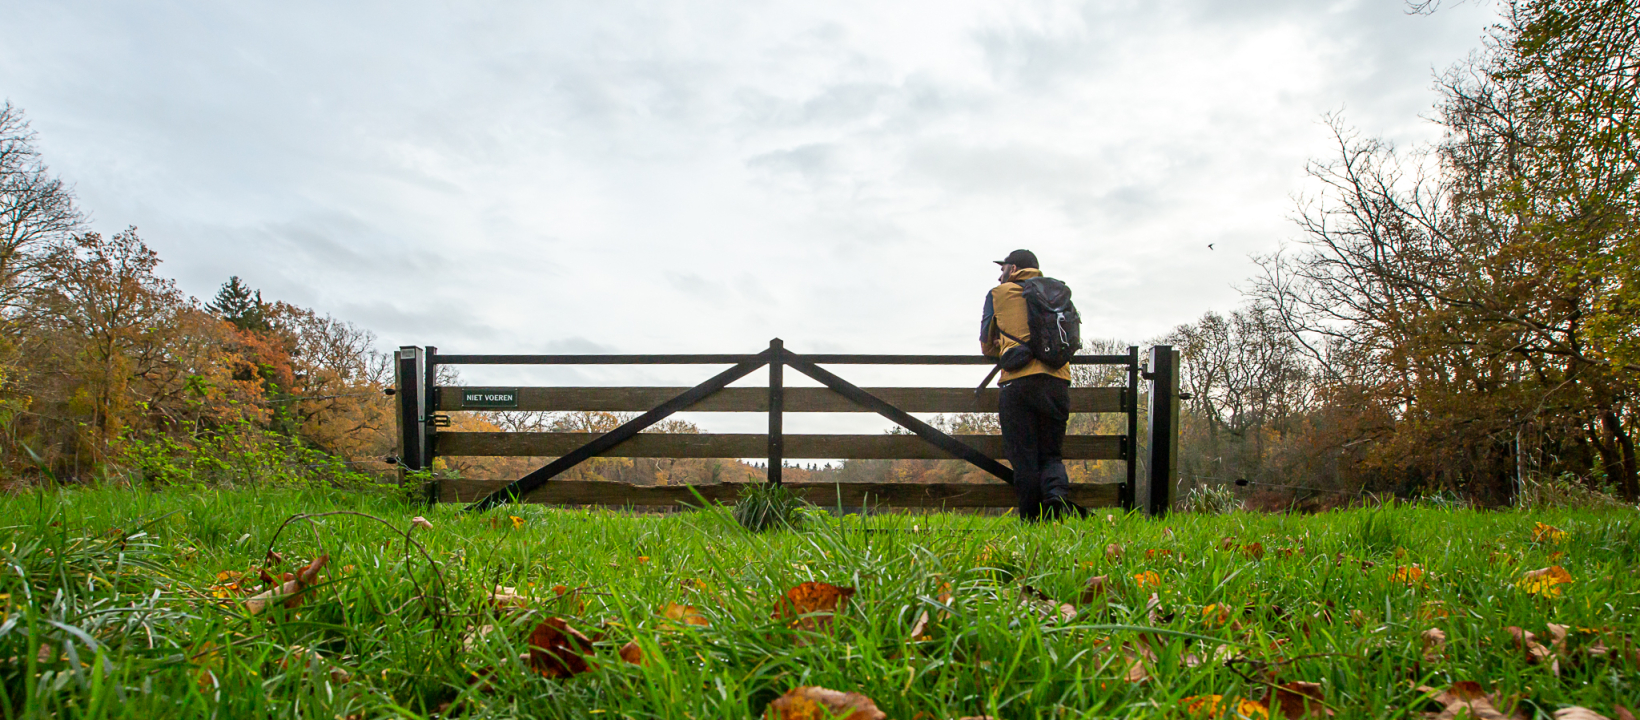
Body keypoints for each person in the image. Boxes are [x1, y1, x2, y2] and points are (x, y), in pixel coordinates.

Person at [980, 249, 1081, 521]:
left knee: (1023, 458)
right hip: (1057, 381)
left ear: (1012, 269)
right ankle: (1056, 500)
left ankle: (1032, 522)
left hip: (1017, 382)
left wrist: (1005, 344)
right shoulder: (1058, 292)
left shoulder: (997, 295)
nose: (999, 274)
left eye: (1002, 268)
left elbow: (986, 346)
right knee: (1051, 455)